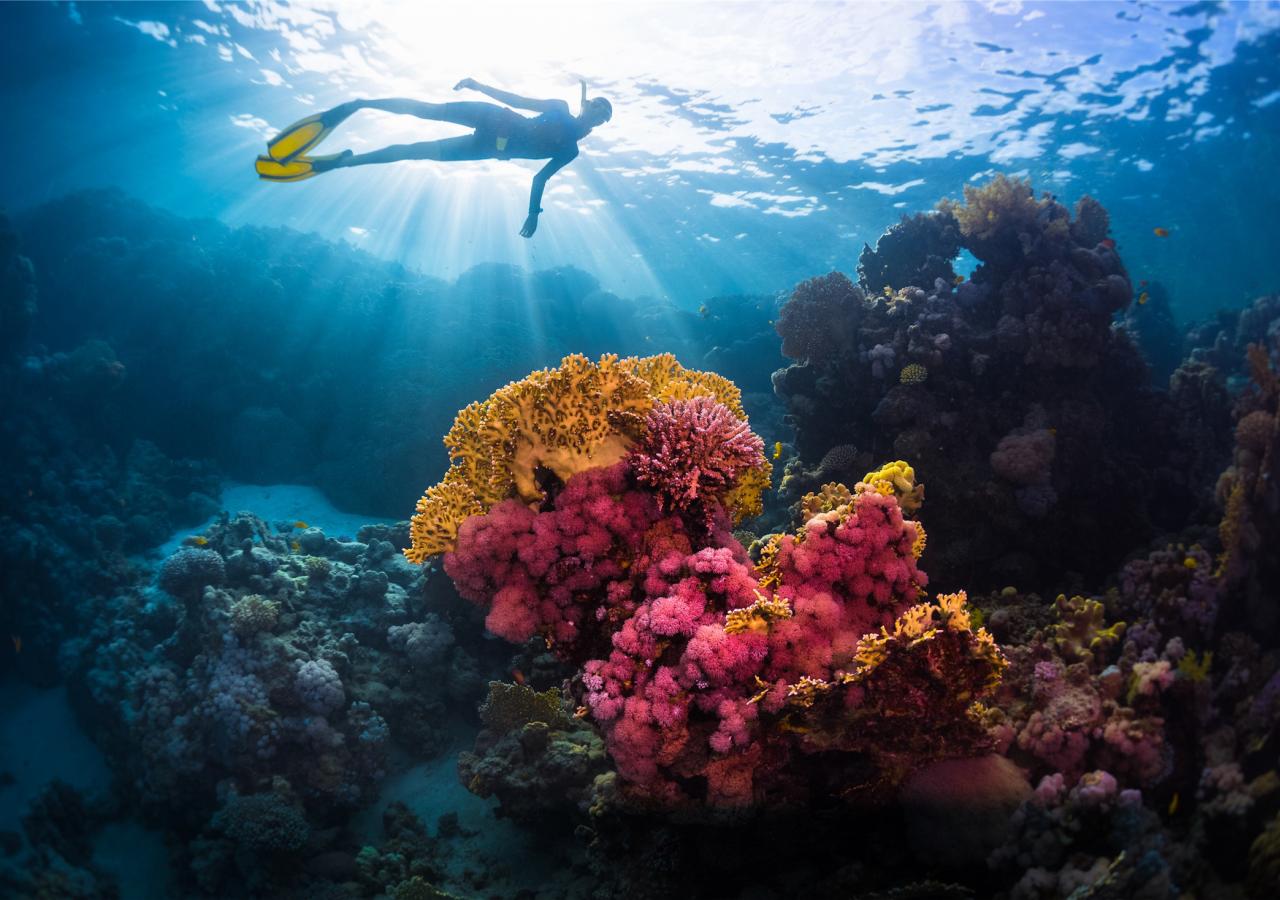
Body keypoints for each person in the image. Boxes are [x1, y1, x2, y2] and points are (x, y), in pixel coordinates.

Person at [256, 78, 612, 237]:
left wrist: (533, 213)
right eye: (596, 105)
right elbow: (518, 100)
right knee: (424, 111)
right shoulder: (560, 107)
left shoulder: (571, 150)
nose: (596, 112)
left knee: (414, 152)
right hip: (493, 116)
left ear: (601, 123)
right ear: (587, 104)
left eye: (602, 114)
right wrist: (479, 85)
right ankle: (358, 105)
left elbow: (539, 179)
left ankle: (343, 161)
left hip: (489, 149)